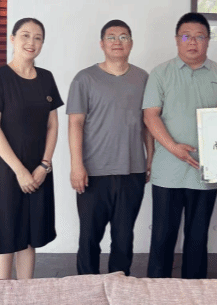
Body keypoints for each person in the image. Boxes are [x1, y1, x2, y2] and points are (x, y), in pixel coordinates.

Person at [143, 12, 217, 279]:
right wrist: (173, 147)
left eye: (200, 37)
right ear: (177, 40)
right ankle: (157, 293)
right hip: (168, 171)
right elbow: (150, 116)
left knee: (198, 238)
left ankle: (195, 295)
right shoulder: (160, 73)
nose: (193, 42)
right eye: (186, 36)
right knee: (162, 237)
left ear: (208, 40)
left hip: (206, 171)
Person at [66, 19, 153, 275]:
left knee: (124, 238)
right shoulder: (84, 79)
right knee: (89, 237)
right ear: (102, 44)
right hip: (93, 173)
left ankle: (119, 287)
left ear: (131, 43)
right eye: (111, 37)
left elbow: (147, 123)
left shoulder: (143, 78)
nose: (118, 42)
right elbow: (75, 123)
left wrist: (150, 157)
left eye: (123, 37)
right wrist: (76, 165)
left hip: (132, 171)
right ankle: (87, 288)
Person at [0, 17, 63, 279]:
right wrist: (20, 171)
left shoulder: (46, 78)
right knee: (6, 238)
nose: (31, 42)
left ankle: (25, 295)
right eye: (25, 35)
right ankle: (2, 299)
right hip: (7, 170)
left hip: (39, 170)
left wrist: (44, 165)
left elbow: (52, 125)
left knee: (29, 237)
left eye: (38, 38)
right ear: (13, 39)